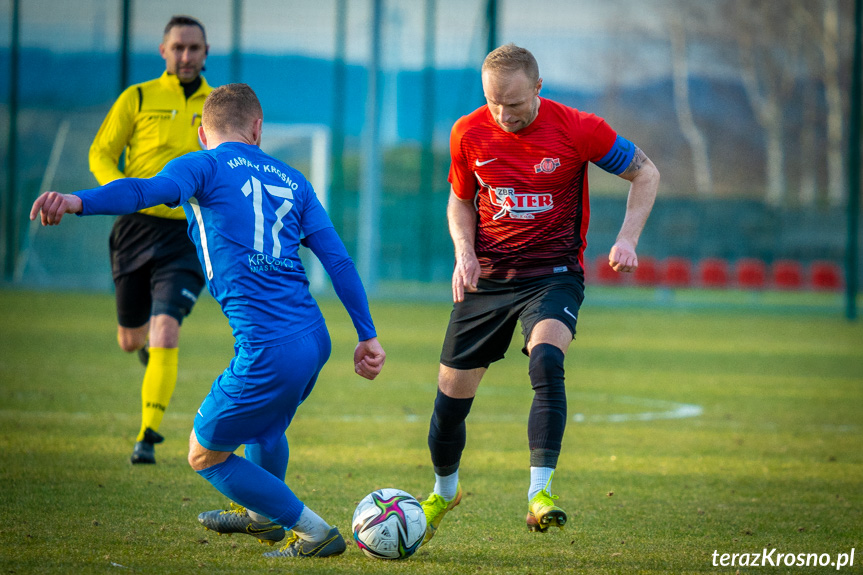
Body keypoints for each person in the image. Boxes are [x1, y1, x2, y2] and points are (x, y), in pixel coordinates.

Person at [31, 83, 386, 559]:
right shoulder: (293, 179)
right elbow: (339, 263)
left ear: (201, 132)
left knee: (204, 454)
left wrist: (78, 201)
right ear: (258, 130)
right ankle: (262, 518)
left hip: (268, 347)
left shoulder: (202, 165)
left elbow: (141, 191)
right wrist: (367, 335)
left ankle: (315, 532)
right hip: (312, 337)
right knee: (266, 429)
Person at [418, 44, 659, 543]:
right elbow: (460, 200)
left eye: (514, 103)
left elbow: (646, 172)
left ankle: (539, 493)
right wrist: (463, 251)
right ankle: (444, 490)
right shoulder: (467, 131)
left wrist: (627, 239)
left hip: (553, 275)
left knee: (547, 360)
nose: (503, 115)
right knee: (449, 405)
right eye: (493, 103)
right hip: (487, 279)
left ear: (539, 88)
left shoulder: (577, 128)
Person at [89, 15, 214, 464]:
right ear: (163, 51)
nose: (185, 56)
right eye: (178, 47)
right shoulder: (138, 97)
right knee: (130, 338)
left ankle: (148, 434)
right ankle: (145, 353)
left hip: (186, 233)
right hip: (135, 229)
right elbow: (101, 152)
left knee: (166, 329)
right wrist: (120, 191)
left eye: (194, 48)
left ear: (206, 53)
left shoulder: (216, 104)